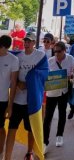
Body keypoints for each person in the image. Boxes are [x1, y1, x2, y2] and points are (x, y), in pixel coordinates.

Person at [4, 32, 47, 160]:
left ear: (34, 43)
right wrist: (17, 83)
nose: (27, 43)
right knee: (12, 128)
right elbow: (11, 73)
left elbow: (43, 75)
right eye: (25, 41)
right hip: (17, 100)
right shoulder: (17, 56)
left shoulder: (41, 56)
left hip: (32, 101)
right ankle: (7, 157)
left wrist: (27, 84)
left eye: (29, 41)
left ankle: (29, 152)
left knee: (31, 129)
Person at [43, 42, 74, 154]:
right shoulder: (50, 61)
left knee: (62, 114)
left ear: (64, 51)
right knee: (48, 117)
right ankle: (45, 141)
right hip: (51, 93)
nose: (56, 53)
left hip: (63, 91)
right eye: (55, 51)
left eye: (58, 51)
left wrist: (71, 76)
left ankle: (59, 135)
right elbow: (46, 76)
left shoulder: (70, 59)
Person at [0, 35, 19, 155]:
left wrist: (10, 106)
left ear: (7, 48)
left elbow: (13, 84)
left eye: (3, 48)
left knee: (0, 128)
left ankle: (0, 152)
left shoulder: (13, 60)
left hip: (2, 99)